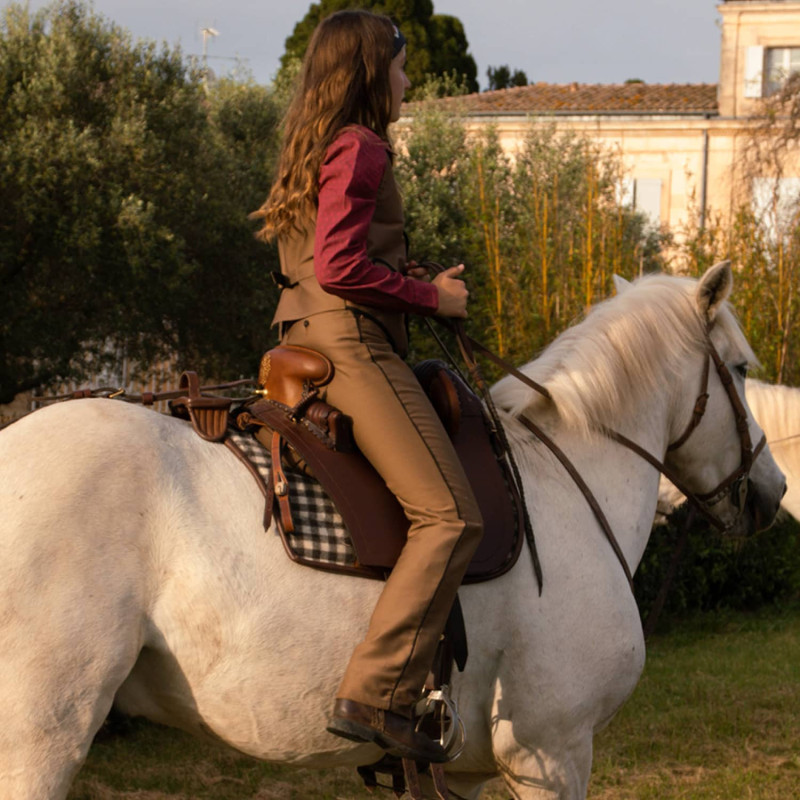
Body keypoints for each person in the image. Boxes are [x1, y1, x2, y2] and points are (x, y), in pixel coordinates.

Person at [250, 9, 483, 764]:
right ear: (370, 72)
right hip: (351, 345)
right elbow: (343, 268)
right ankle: (377, 694)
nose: (409, 81)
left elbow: (331, 258)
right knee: (450, 516)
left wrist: (409, 281)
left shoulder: (314, 145)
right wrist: (434, 301)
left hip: (308, 332)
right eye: (402, 67)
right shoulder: (362, 145)